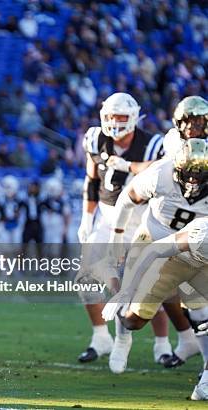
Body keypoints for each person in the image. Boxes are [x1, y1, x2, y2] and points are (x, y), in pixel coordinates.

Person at [76, 92, 169, 365]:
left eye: (120, 117)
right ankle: (100, 337)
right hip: (107, 218)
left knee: (149, 286)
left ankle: (163, 345)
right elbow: (92, 181)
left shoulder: (153, 144)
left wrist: (129, 166)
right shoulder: (95, 138)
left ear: (133, 118)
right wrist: (86, 218)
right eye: (110, 116)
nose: (114, 122)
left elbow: (164, 169)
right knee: (86, 279)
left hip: (141, 220)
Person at [105, 139, 208, 373]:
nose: (193, 181)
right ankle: (122, 340)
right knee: (132, 310)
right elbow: (127, 198)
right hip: (153, 237)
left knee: (200, 308)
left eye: (200, 175)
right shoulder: (161, 173)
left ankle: (205, 372)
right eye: (188, 173)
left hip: (193, 250)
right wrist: (117, 236)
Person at [101, 217, 208, 400]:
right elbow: (153, 250)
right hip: (176, 263)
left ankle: (205, 382)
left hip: (204, 268)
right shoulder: (198, 234)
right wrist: (126, 291)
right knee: (134, 321)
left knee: (204, 316)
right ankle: (123, 317)